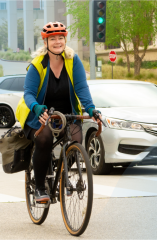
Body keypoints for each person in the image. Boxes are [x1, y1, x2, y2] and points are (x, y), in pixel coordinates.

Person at [16, 21, 101, 202]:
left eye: (60, 38)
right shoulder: (37, 64)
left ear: (65, 40)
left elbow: (81, 88)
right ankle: (39, 187)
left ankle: (62, 176)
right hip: (40, 114)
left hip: (66, 114)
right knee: (45, 139)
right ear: (45, 42)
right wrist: (36, 107)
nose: (57, 42)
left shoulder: (73, 60)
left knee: (76, 142)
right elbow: (29, 94)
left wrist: (91, 108)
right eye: (52, 38)